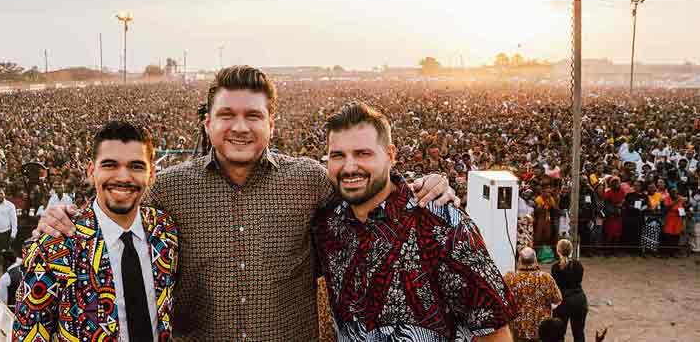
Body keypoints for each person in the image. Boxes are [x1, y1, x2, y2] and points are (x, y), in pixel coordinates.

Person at [34, 66, 457, 340]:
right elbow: (114, 202)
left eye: (253, 116)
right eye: (227, 115)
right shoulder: (169, 188)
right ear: (208, 122)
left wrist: (424, 185)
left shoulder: (309, 180)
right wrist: (59, 216)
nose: (240, 127)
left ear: (272, 123)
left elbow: (368, 194)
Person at [312, 102, 514, 341]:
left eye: (362, 153)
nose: (349, 167)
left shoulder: (444, 225)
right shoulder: (327, 224)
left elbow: (494, 333)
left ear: (390, 155)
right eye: (338, 156)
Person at [14, 121, 179, 341]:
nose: (122, 177)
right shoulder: (53, 247)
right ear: (91, 171)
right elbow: (28, 335)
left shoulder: (164, 231)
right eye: (110, 165)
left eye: (136, 166)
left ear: (151, 174)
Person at [503, 248, 562, 341]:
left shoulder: (509, 278)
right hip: (541, 330)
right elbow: (557, 299)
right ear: (535, 260)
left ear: (519, 260)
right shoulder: (545, 278)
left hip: (517, 330)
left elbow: (501, 301)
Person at [551, 239, 588, 342]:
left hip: (562, 301)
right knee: (579, 334)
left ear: (558, 251)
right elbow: (579, 280)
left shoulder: (555, 267)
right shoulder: (578, 265)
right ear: (571, 250)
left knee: (558, 334)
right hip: (579, 300)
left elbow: (556, 285)